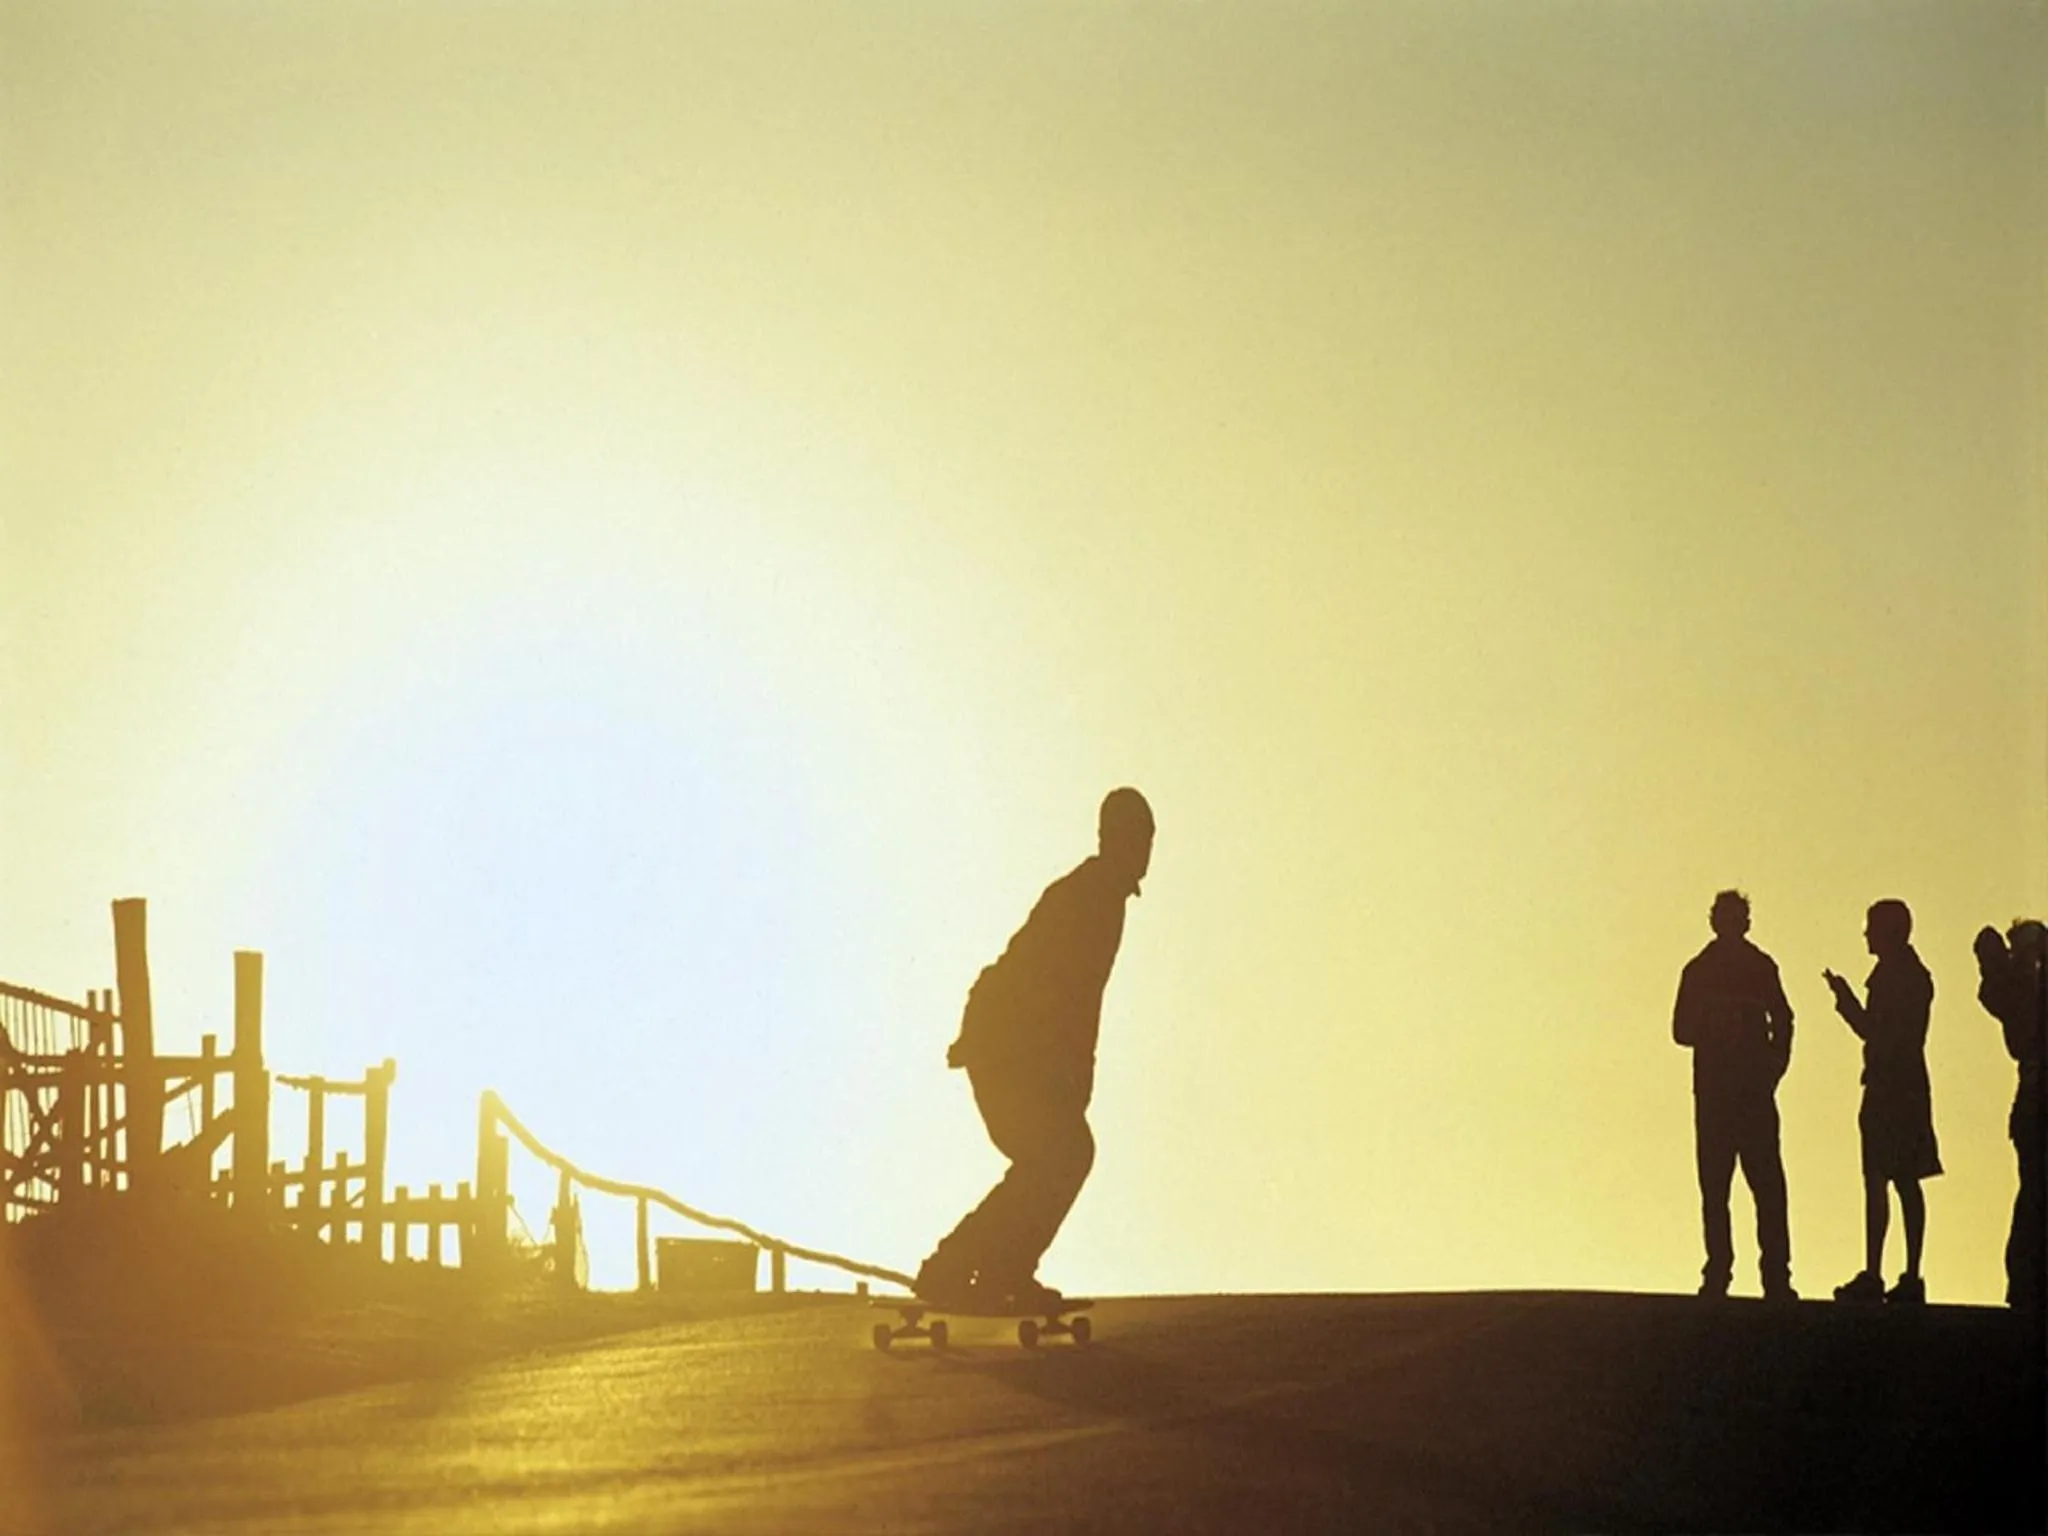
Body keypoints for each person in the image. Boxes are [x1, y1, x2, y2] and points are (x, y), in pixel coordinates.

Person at [914, 787, 1156, 1311]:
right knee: (1061, 1153)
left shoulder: (1103, 897)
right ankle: (957, 1267)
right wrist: (1056, 1073)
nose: (1146, 851)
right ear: (1112, 838)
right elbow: (1051, 990)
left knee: (1056, 1156)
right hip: (1006, 1052)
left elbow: (1077, 1004)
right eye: (1138, 838)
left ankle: (996, 1268)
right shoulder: (1088, 897)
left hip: (1011, 1051)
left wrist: (1073, 1078)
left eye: (1148, 839)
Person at [1672, 889, 1796, 1301]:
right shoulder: (1699, 970)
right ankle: (1720, 1272)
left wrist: (1775, 1065)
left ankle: (1774, 1276)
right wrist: (1714, 1022)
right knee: (1716, 1188)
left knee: (1766, 1186)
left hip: (1752, 1092)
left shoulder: (1760, 967)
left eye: (1734, 918)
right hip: (1715, 1093)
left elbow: (1784, 1018)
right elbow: (1680, 1030)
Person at [1826, 898, 1941, 1305]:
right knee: (1892, 1180)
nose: (1866, 935)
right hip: (1898, 1084)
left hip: (1894, 1086)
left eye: (1871, 927)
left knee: (1891, 1179)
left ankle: (1893, 1274)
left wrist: (1846, 1003)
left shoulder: (1901, 978)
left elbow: (1877, 1032)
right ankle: (1895, 1273)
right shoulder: (1910, 975)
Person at [1975, 918, 2045, 1313]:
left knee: (2034, 1192)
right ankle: (2026, 1283)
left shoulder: (2018, 988)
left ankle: (2027, 1283)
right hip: (2034, 1099)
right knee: (2034, 1191)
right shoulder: (2016, 990)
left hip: (2032, 1098)